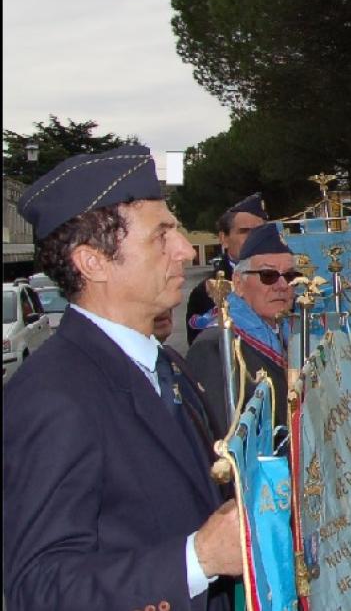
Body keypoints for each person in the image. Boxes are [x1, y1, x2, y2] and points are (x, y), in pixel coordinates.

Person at [3, 145, 242, 609]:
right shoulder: (51, 396)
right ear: (92, 262)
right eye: (161, 235)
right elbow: (38, 589)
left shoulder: (168, 366)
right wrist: (198, 559)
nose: (184, 250)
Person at [188, 222, 297, 438]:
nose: (282, 285)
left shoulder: (291, 335)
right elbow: (221, 438)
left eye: (290, 276)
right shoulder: (214, 346)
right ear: (238, 283)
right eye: (268, 275)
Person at [184, 192, 267, 342]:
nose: (254, 238)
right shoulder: (207, 292)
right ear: (224, 239)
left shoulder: (283, 281)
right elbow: (202, 350)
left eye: (259, 232)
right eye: (245, 231)